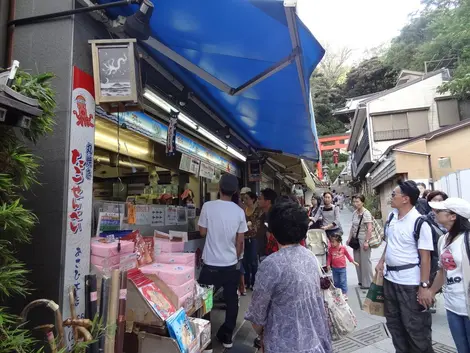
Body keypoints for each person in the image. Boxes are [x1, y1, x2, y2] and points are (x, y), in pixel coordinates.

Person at [245, 200, 332, 353]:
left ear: (273, 231)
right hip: (316, 342)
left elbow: (257, 318)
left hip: (283, 346)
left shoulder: (271, 264)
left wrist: (263, 335)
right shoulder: (310, 256)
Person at [376, 180, 434, 353]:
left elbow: (426, 258)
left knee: (415, 329)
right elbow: (391, 243)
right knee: (395, 325)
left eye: (394, 194)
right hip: (389, 280)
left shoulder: (419, 222)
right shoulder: (393, 216)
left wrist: (424, 286)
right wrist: (381, 261)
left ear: (405, 199)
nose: (390, 198)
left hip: (409, 283)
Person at [198, 174, 248, 349]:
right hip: (230, 265)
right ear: (235, 191)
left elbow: (202, 232)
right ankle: (227, 335)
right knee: (231, 299)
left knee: (206, 301)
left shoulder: (208, 207)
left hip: (210, 265)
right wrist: (237, 259)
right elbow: (240, 241)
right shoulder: (239, 211)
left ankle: (206, 340)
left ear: (219, 188)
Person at [425, 198, 470, 353]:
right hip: (452, 306)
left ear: (453, 216)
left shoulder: (467, 238)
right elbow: (443, 271)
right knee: (462, 349)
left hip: (467, 305)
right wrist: (431, 291)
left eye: (438, 211)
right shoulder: (443, 240)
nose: (434, 213)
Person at [347, 194, 374, 289]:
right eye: (354, 201)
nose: (355, 203)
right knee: (357, 260)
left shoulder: (366, 213)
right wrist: (349, 238)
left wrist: (367, 241)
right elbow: (353, 227)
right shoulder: (354, 213)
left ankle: (368, 282)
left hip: (363, 238)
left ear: (362, 202)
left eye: (358, 201)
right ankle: (361, 281)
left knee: (365, 261)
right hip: (356, 239)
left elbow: (370, 228)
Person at [327, 233, 359, 298]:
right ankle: (338, 293)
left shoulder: (343, 248)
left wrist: (353, 261)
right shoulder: (330, 249)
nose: (331, 243)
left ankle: (344, 293)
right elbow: (329, 257)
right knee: (336, 282)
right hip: (334, 268)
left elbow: (348, 255)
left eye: (333, 242)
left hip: (342, 268)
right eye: (331, 242)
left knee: (343, 281)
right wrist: (328, 265)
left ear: (338, 242)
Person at [243, 191, 262, 290]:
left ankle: (254, 281)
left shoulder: (258, 210)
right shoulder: (243, 210)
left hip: (254, 237)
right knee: (245, 261)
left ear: (252, 199)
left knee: (253, 260)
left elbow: (258, 225)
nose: (245, 200)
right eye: (244, 198)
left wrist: (250, 227)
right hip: (244, 237)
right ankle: (246, 282)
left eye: (247, 198)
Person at [257, 188, 278, 260]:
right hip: (263, 250)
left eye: (260, 199)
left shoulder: (273, 216)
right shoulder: (263, 214)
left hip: (270, 253)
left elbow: (270, 235)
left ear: (268, 201)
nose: (258, 201)